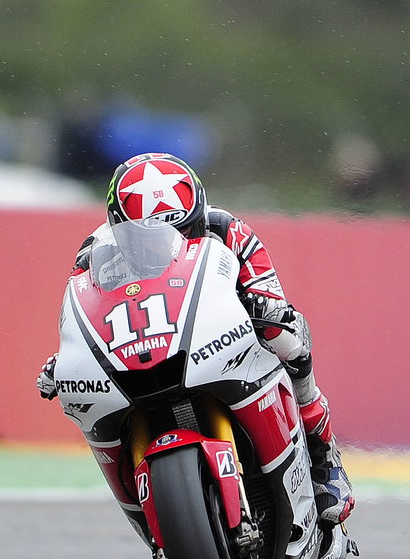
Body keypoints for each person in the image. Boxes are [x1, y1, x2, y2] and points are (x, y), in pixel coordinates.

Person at [37, 152, 354, 536]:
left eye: (180, 230)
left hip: (221, 335)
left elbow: (267, 290)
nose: (166, 243)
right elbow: (86, 314)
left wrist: (266, 309)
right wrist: (67, 358)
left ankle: (323, 457)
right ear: (120, 227)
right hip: (151, 345)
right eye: (144, 236)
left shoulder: (227, 229)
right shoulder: (93, 255)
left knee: (289, 338)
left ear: (196, 215)